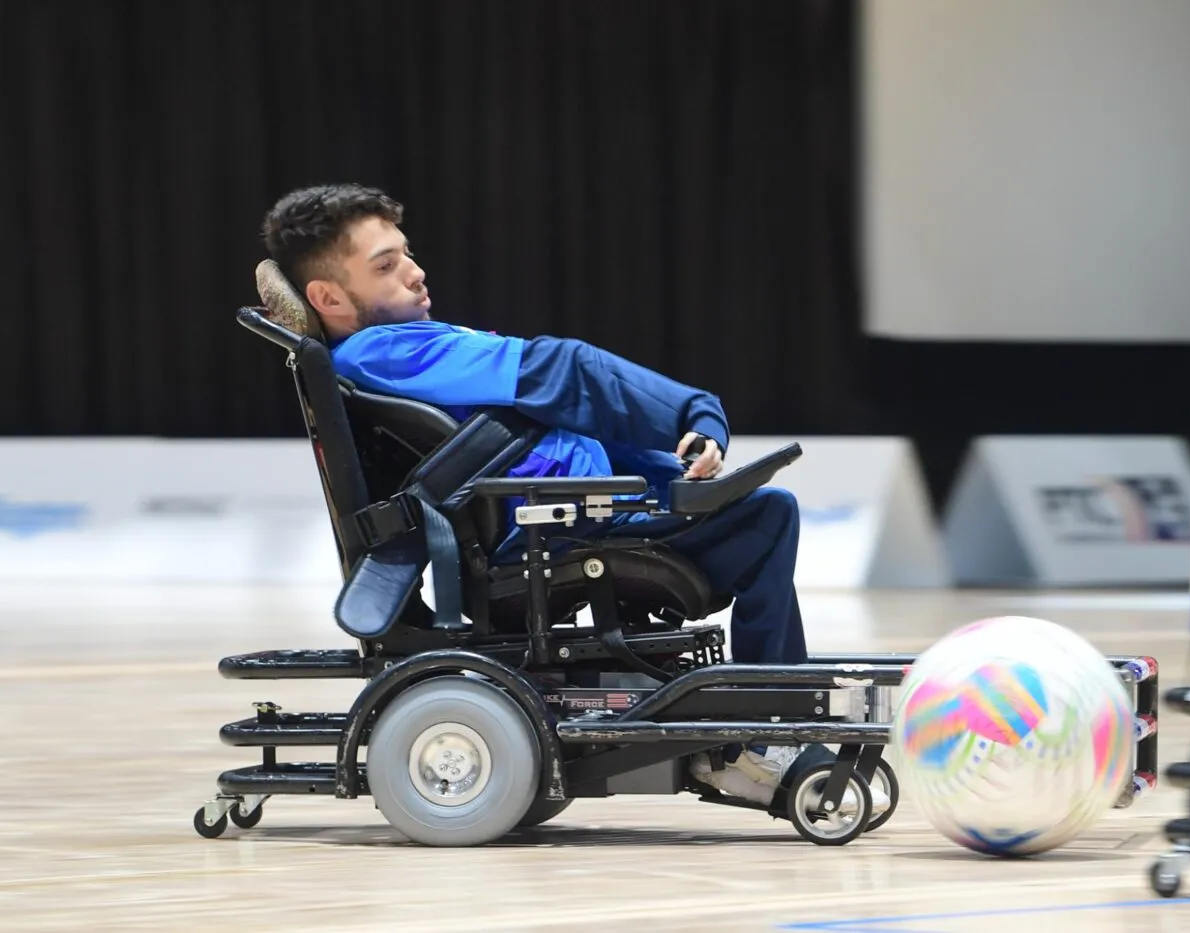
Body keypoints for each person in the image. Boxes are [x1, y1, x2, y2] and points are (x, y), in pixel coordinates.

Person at [259, 182, 888, 817]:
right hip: (548, 532)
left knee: (754, 512)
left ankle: (762, 716)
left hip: (567, 514)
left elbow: (551, 422)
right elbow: (566, 370)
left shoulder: (394, 348)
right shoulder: (388, 350)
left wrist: (664, 468)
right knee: (766, 518)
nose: (416, 273)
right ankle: (761, 738)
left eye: (407, 254)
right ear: (328, 297)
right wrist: (695, 412)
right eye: (386, 265)